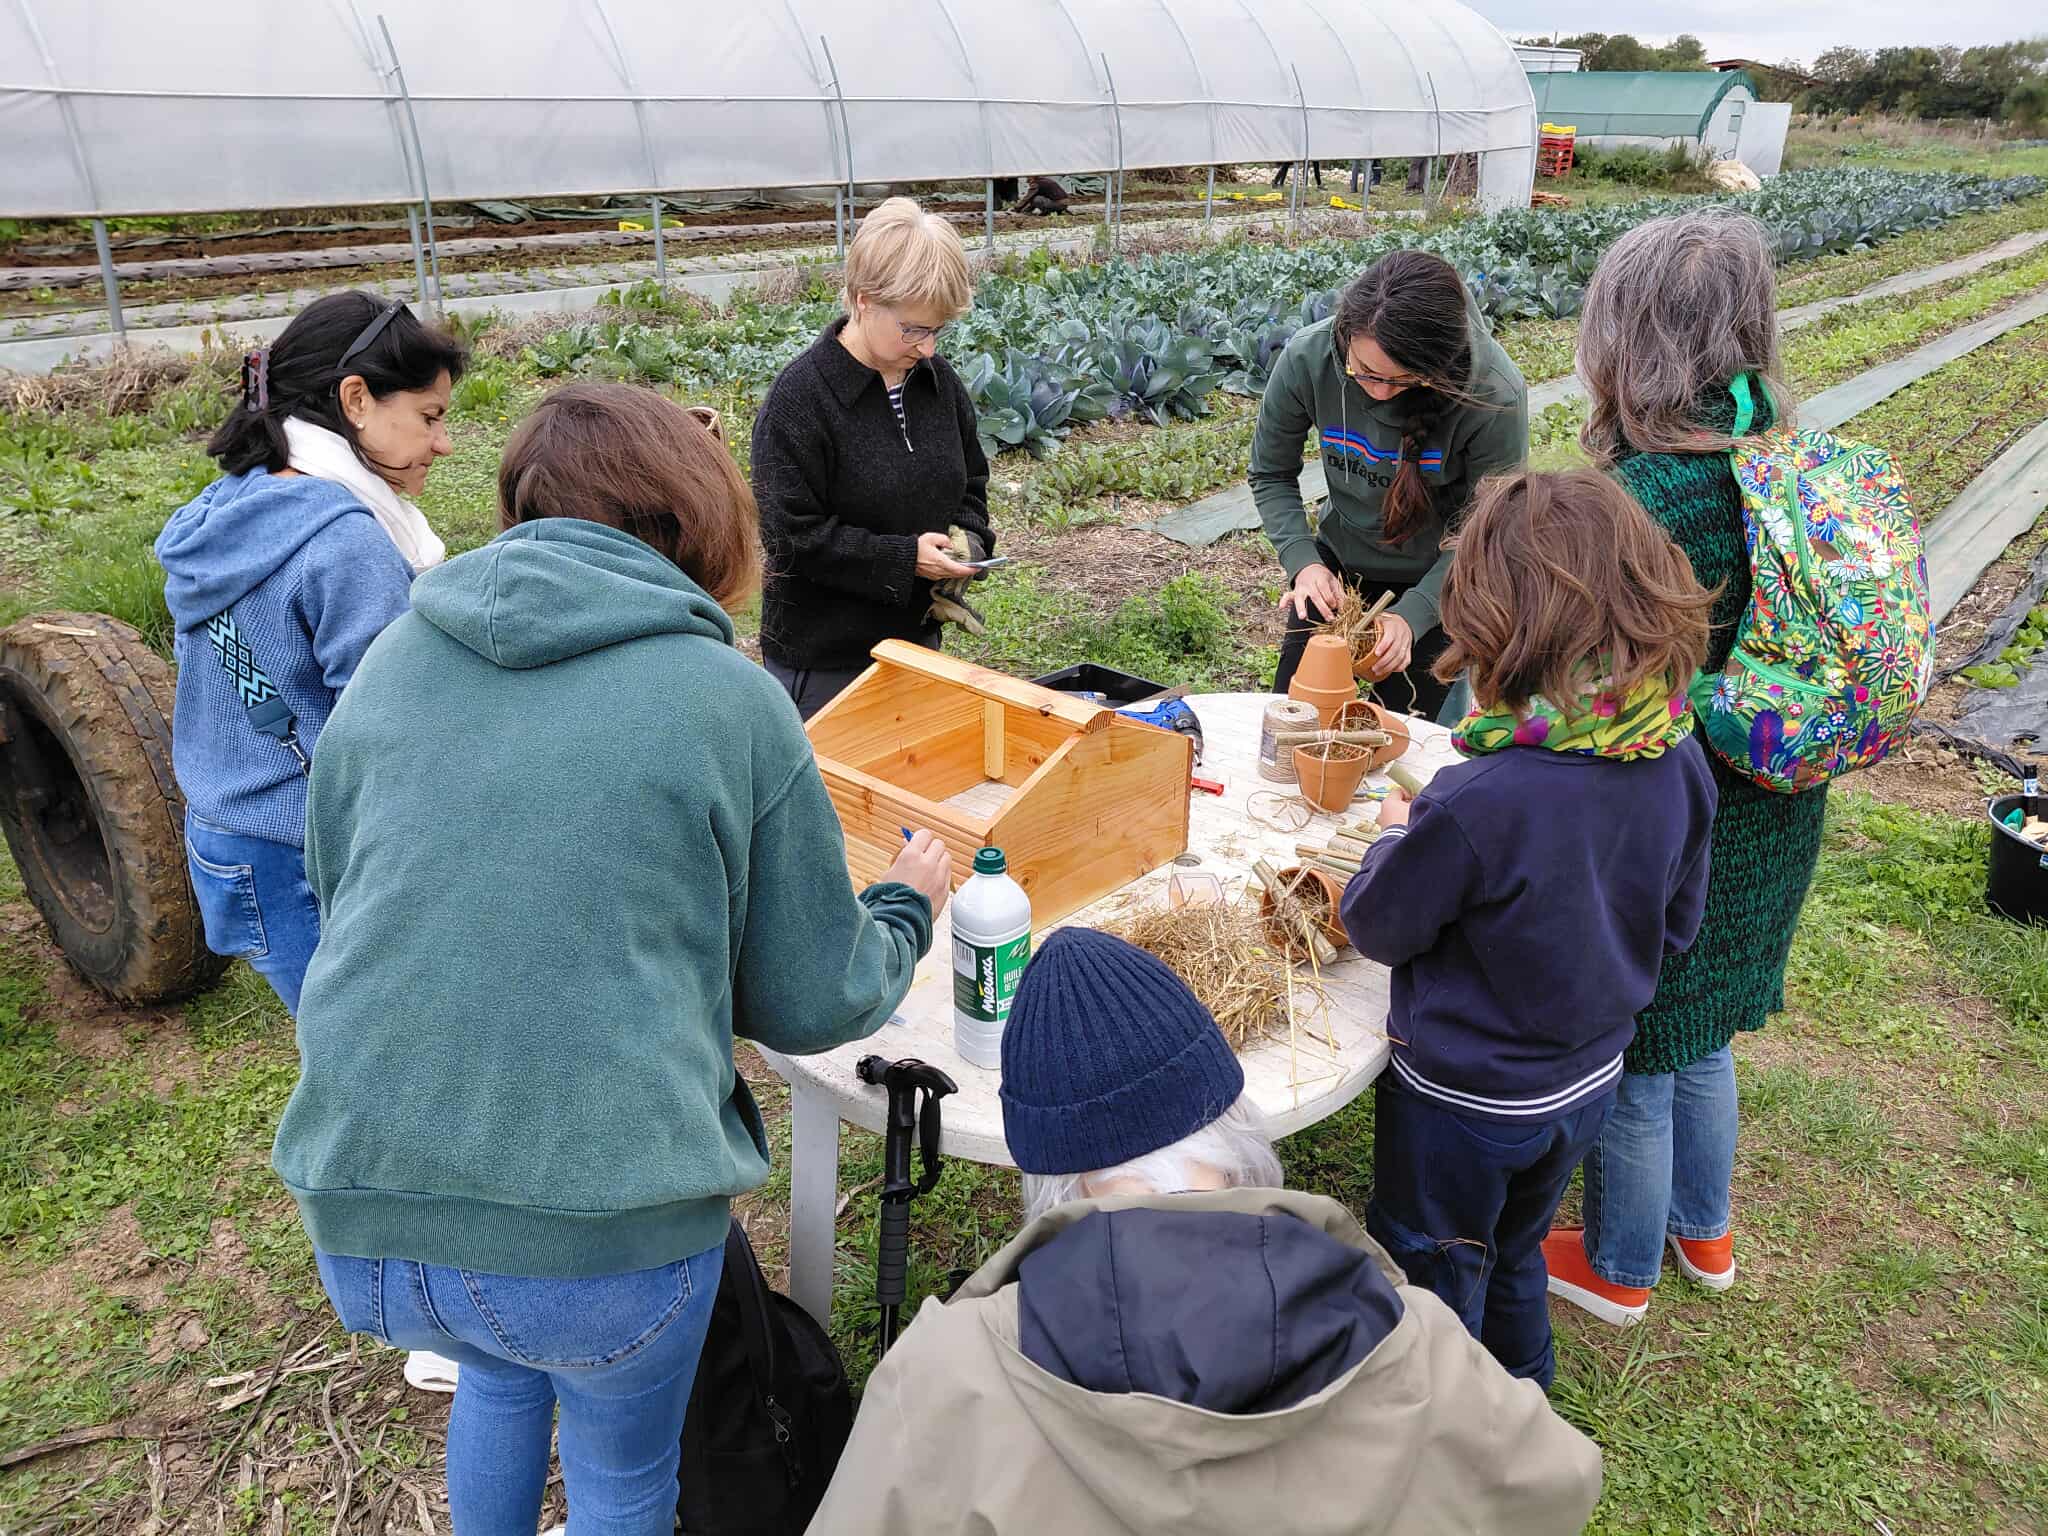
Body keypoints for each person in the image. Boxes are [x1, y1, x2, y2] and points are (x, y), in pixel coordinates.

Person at [273, 382, 953, 1534]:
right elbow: (808, 998)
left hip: (371, 1225)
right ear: (699, 521)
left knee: (496, 1365)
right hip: (604, 1247)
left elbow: (346, 897)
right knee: (623, 1474)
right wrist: (902, 909)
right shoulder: (724, 701)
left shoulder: (392, 660)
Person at [808, 928, 1605, 1536]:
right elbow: (1561, 1484)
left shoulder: (942, 1378)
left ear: (1052, 1179)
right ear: (1233, 1125)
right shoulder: (1417, 1339)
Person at [1340, 468, 1718, 1389]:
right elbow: (1676, 929)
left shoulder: (1479, 796)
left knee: (1433, 1268)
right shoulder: (1674, 751)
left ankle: (1447, 1436)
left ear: (1496, 625)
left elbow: (1377, 926)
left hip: (1462, 1102)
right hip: (1585, 1082)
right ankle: (1523, 1397)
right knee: (1513, 1249)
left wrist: (1391, 841)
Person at [1543, 208, 1830, 1326]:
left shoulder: (1641, 502)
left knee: (1644, 1043)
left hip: (1665, 813)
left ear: (1622, 340)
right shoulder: (1785, 468)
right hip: (1776, 795)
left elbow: (1592, 699)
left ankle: (1617, 1266)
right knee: (1706, 1031)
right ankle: (1700, 1232)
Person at [155, 290, 464, 1014]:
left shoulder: (234, 507)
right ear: (356, 399)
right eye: (430, 416)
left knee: (335, 1039)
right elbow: (396, 724)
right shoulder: (345, 543)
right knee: (376, 1055)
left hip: (229, 836)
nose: (443, 444)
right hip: (303, 849)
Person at [1250, 249, 1527, 718]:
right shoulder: (1308, 357)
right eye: (1366, 373)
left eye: (1403, 381)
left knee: (1403, 737)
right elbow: (1271, 472)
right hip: (1338, 573)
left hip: (1441, 582)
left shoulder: (1493, 393)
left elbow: (1488, 531)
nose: (1378, 391)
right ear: (1346, 334)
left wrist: (1414, 614)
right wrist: (1304, 562)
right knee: (1293, 722)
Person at [751, 196, 995, 719]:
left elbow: (971, 479)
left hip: (915, 647)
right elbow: (791, 537)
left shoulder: (937, 383)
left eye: (937, 330)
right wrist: (905, 559)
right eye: (914, 329)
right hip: (825, 664)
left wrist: (968, 542)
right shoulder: (800, 402)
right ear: (864, 300)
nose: (928, 347)